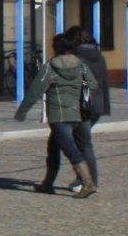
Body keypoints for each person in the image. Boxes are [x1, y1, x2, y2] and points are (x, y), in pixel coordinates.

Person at [16, 32, 99, 198]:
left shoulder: (50, 68)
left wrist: (22, 111)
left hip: (59, 115)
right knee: (53, 147)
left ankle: (88, 183)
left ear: (56, 49)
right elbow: (93, 85)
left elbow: (34, 91)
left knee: (71, 151)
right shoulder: (82, 66)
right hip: (80, 115)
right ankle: (47, 184)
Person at [38, 27, 111, 194]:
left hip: (75, 107)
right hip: (97, 105)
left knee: (69, 144)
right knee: (82, 143)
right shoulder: (99, 56)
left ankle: (84, 181)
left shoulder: (74, 58)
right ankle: (87, 180)